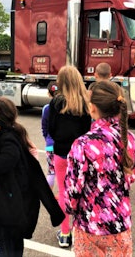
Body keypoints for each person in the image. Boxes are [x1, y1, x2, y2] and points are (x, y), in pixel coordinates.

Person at [0, 96, 65, 257]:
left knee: (6, 246)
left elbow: (7, 159)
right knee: (14, 246)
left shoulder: (7, 138)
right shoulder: (16, 133)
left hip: (7, 203)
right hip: (17, 202)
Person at [65, 80, 135, 256]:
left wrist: (70, 208)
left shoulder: (83, 144)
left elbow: (73, 188)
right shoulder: (129, 138)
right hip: (120, 221)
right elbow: (130, 176)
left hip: (89, 223)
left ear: (92, 108)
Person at [48, 65, 92, 248]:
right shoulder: (85, 103)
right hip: (81, 155)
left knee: (63, 193)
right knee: (81, 192)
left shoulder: (56, 103)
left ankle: (65, 233)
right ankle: (79, 230)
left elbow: (51, 129)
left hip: (60, 153)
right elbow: (87, 131)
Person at [41, 81, 58, 189]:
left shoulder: (46, 108)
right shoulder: (64, 106)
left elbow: (44, 127)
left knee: (51, 171)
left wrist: (47, 138)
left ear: (48, 93)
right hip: (63, 145)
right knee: (64, 171)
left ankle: (49, 196)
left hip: (50, 144)